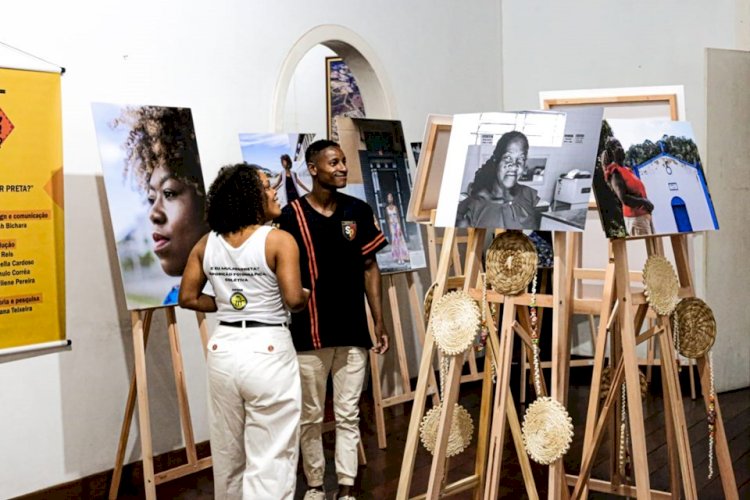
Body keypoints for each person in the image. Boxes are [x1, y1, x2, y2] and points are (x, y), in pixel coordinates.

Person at [178, 163, 310, 499]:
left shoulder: (206, 243)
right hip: (267, 349)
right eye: (266, 186)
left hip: (223, 349)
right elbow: (294, 299)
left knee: (227, 452)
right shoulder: (279, 240)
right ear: (249, 196)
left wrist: (227, 305)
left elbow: (188, 297)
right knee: (271, 455)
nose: (274, 190)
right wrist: (308, 293)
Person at [276, 139, 390, 500]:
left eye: (343, 162)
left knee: (348, 413)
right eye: (333, 162)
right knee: (310, 415)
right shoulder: (290, 216)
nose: (342, 168)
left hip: (353, 329)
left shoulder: (357, 210)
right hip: (309, 333)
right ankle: (313, 485)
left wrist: (379, 320)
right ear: (312, 169)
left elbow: (370, 267)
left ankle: (346, 487)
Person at [116, 105, 210, 304]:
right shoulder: (174, 297)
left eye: (169, 193)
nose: (153, 214)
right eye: (151, 199)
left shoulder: (232, 287)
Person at [455, 130, 540, 229]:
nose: (514, 166)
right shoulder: (474, 206)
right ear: (496, 160)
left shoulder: (528, 194)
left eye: (521, 159)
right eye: (508, 157)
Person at [601, 137, 654, 236]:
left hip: (645, 217)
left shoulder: (627, 170)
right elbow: (624, 198)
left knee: (654, 249)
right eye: (615, 146)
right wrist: (644, 202)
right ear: (611, 152)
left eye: (619, 144)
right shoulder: (614, 172)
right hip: (636, 220)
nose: (619, 147)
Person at [384, 192, 410, 265]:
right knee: (395, 241)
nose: (390, 199)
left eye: (391, 197)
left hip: (397, 225)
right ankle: (397, 257)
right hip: (392, 226)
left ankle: (403, 257)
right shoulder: (387, 209)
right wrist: (390, 229)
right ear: (387, 199)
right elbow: (388, 219)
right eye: (389, 197)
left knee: (400, 240)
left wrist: (400, 227)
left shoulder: (395, 207)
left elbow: (398, 217)